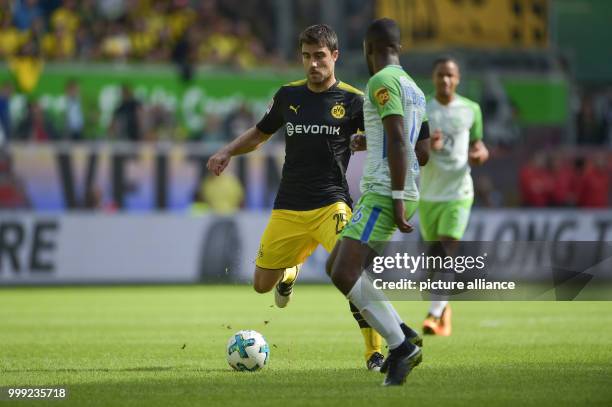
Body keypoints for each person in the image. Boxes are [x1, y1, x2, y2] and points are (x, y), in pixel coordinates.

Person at [207, 24, 385, 371]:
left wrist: (366, 142)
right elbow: (260, 134)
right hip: (289, 205)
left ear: (334, 56)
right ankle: (290, 272)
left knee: (354, 274)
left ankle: (374, 353)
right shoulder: (289, 96)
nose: (313, 63)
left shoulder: (353, 100)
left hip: (332, 203)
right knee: (261, 286)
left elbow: (380, 136)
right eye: (306, 56)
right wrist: (227, 151)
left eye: (319, 56)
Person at [328, 18, 429, 386]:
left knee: (344, 273)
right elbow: (423, 149)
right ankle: (402, 330)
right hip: (395, 189)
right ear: (398, 47)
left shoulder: (380, 81)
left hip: (386, 192)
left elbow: (401, 141)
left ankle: (401, 346)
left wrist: (398, 198)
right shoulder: (415, 89)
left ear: (368, 50)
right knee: (335, 265)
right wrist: (369, 141)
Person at [418, 57, 489, 336]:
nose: (445, 80)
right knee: (432, 262)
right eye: (440, 75)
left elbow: (479, 146)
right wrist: (427, 146)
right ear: (433, 78)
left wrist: (480, 155)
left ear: (457, 79)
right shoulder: (423, 108)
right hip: (428, 194)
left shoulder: (471, 109)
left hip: (458, 192)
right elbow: (413, 149)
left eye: (450, 75)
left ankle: (433, 315)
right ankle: (444, 310)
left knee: (448, 251)